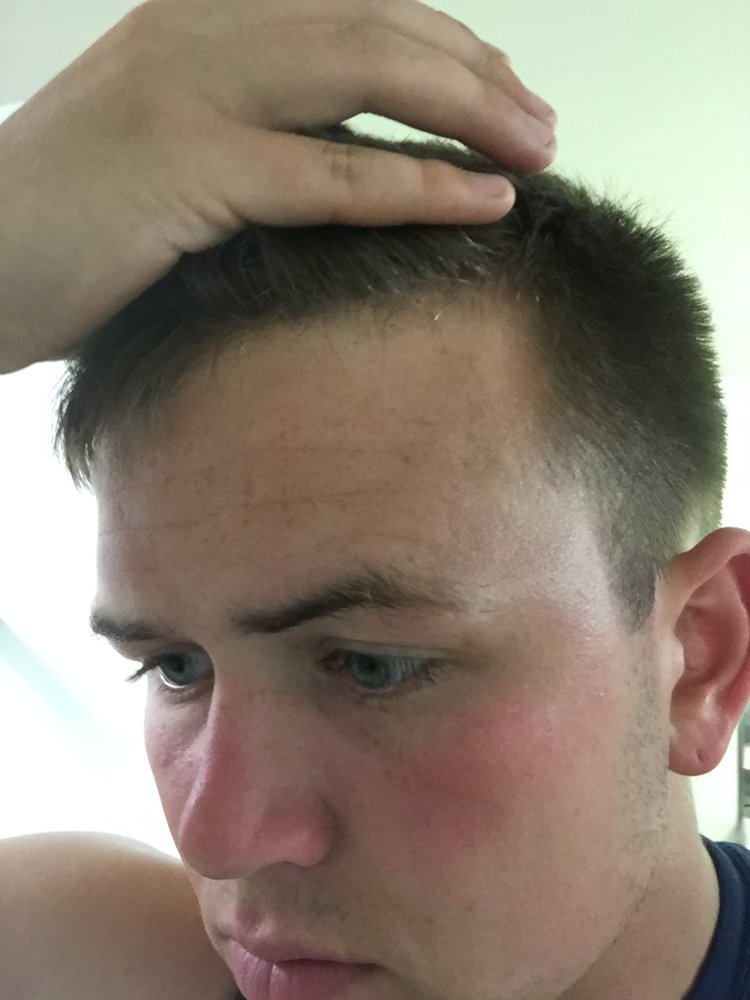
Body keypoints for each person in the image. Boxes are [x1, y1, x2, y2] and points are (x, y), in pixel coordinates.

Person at [1, 2, 749, 999]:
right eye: (176, 666)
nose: (215, 837)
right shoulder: (100, 960)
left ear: (699, 656)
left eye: (372, 666)